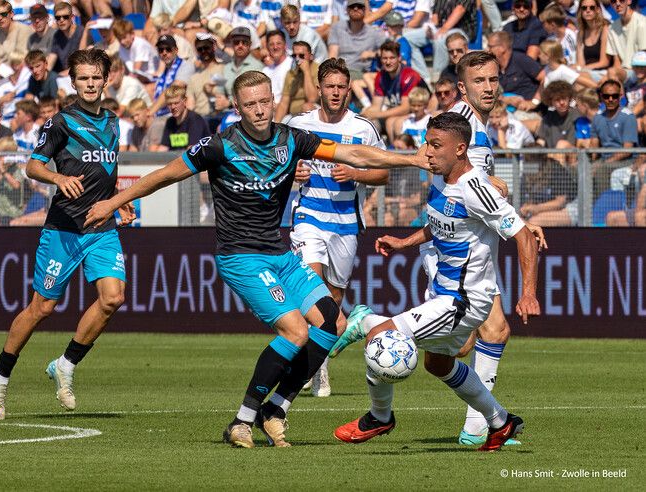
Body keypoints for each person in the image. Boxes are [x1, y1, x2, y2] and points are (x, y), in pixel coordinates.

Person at [83, 70, 428, 449]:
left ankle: (275, 409)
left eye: (265, 101)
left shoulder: (290, 139)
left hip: (278, 254)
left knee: (332, 321)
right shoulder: (219, 145)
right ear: (237, 108)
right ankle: (243, 420)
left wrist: (412, 159)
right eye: (251, 104)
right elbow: (166, 174)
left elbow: (355, 153)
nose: (260, 110)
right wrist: (115, 202)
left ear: (273, 99)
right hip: (240, 257)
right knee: (296, 331)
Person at [331, 51, 547, 447]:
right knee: (440, 361)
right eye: (479, 80)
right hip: (450, 281)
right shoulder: (459, 142)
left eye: (493, 79)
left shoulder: (469, 167)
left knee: (382, 337)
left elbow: (505, 221)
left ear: (458, 149)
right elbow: (447, 216)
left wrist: (529, 289)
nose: (425, 154)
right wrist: (406, 240)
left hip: (463, 297)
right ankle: (497, 421)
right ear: (463, 86)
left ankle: (380, 414)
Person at [0, 49, 135, 421]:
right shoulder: (61, 123)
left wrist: (119, 202)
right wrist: (58, 177)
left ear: (106, 80)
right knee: (42, 308)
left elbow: (108, 173)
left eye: (95, 77)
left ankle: (66, 363)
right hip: (64, 228)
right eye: (83, 77)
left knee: (113, 298)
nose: (89, 83)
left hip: (101, 226)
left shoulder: (114, 123)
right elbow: (32, 166)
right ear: (73, 81)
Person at [279, 57, 389, 398]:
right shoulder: (299, 124)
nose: (336, 92)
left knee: (335, 298)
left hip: (345, 223)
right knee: (313, 290)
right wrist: (292, 173)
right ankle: (317, 372)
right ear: (320, 88)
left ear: (349, 89)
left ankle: (318, 361)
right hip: (308, 217)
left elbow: (383, 173)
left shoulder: (362, 128)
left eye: (342, 86)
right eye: (330, 86)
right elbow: (279, 163)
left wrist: (356, 174)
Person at [154, 85, 211, 151]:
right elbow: (163, 149)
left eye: (176, 103)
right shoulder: (170, 121)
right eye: (169, 104)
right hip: (176, 159)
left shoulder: (195, 120)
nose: (173, 107)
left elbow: (192, 151)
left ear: (184, 101)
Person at [274, 41, 319, 121]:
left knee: (307, 107)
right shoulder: (291, 73)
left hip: (314, 112)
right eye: (294, 55)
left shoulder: (318, 70)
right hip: (294, 115)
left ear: (311, 56)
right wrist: (276, 125)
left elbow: (312, 99)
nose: (297, 59)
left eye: (301, 55)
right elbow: (284, 103)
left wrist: (306, 71)